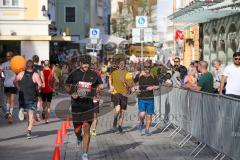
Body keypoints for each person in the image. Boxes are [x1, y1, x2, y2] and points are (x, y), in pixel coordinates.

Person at [65, 55, 100, 160]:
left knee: (86, 127)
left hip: (88, 105)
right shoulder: (74, 74)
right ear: (80, 63)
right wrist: (71, 93)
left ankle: (85, 154)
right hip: (76, 105)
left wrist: (97, 93)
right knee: (77, 130)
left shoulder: (93, 74)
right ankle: (78, 136)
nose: (86, 65)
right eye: (84, 63)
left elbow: (98, 86)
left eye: (88, 63)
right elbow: (66, 85)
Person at [15, 60, 42, 139]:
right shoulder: (35, 75)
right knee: (31, 115)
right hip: (31, 97)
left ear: (26, 67)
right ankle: (29, 131)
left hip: (22, 96)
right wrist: (37, 88)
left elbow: (15, 81)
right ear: (33, 67)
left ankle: (22, 110)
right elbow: (40, 85)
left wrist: (19, 88)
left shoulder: (21, 73)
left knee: (26, 113)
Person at [133, 61, 159, 136]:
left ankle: (147, 130)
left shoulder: (153, 76)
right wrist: (135, 88)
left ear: (150, 68)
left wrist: (153, 87)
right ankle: (141, 122)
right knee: (142, 114)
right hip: (141, 97)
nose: (147, 68)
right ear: (143, 67)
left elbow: (158, 86)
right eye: (145, 67)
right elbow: (133, 82)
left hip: (150, 98)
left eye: (148, 67)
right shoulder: (140, 75)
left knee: (149, 115)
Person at [109, 59, 134, 133]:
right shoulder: (114, 73)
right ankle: (115, 120)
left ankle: (120, 125)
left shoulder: (128, 74)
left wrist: (126, 83)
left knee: (122, 111)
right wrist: (111, 86)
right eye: (120, 64)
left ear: (125, 65)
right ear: (118, 65)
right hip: (115, 93)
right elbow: (110, 79)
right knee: (117, 109)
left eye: (123, 64)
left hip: (124, 93)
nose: (122, 65)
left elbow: (130, 84)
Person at [0, 51, 17, 124]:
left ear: (11, 56)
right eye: (7, 56)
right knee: (12, 100)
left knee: (8, 99)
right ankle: (10, 113)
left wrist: (3, 77)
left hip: (7, 83)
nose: (7, 57)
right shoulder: (16, 64)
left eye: (8, 56)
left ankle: (7, 111)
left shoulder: (3, 64)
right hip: (12, 83)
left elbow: (0, 72)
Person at [90, 63, 104, 136]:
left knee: (94, 115)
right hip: (86, 99)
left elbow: (101, 86)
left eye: (93, 69)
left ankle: (94, 130)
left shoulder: (98, 76)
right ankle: (88, 128)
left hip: (95, 97)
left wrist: (99, 91)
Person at [32, 55, 44, 122]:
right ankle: (37, 114)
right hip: (38, 85)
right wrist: (43, 83)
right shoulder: (40, 67)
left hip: (32, 85)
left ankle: (33, 116)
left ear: (33, 60)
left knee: (33, 100)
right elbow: (42, 75)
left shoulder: (31, 66)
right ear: (38, 60)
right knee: (39, 100)